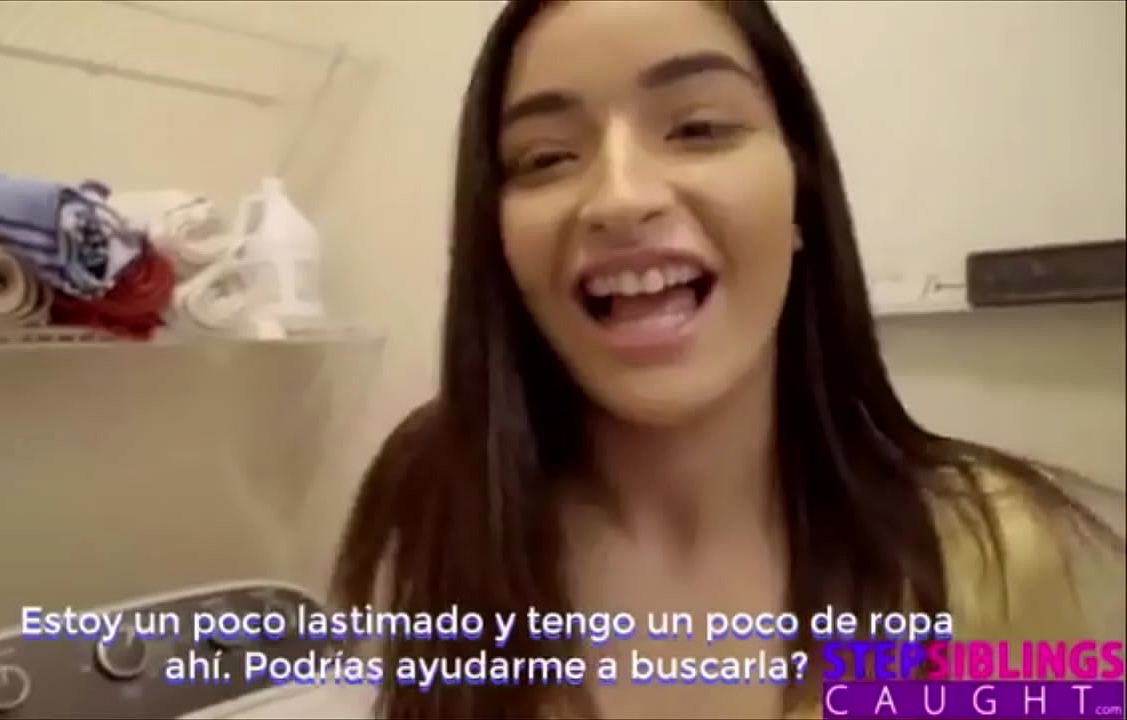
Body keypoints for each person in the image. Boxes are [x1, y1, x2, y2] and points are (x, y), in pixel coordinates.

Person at [330, 1, 1126, 718]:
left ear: (801, 192)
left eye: (700, 127)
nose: (619, 197)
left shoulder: (994, 551)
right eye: (543, 158)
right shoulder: (438, 494)